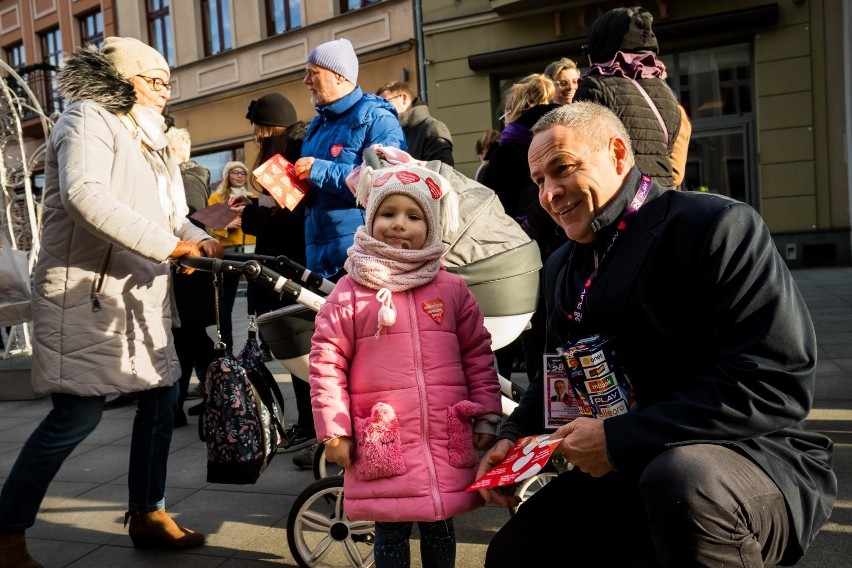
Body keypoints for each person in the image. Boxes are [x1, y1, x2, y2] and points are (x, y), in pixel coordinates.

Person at [479, 102, 836, 567]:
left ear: (619, 153)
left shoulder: (716, 227)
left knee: (680, 482)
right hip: (629, 464)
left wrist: (621, 438)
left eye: (562, 169)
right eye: (539, 181)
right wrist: (515, 437)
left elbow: (776, 383)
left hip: (751, 457)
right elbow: (559, 382)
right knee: (515, 553)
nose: (550, 193)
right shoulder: (562, 265)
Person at [0, 37, 222, 567]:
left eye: (169, 81)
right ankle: (7, 530)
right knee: (76, 416)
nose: (165, 91)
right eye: (155, 81)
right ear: (125, 79)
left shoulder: (151, 137)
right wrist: (170, 246)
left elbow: (168, 212)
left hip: (137, 294)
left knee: (162, 399)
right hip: (87, 295)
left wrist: (198, 234)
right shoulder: (86, 119)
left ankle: (149, 512)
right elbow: (84, 195)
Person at [310, 163, 502, 568]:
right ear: (370, 218)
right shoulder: (351, 290)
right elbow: (327, 361)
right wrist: (335, 430)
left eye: (413, 216)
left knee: (440, 523)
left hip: (442, 435)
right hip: (383, 436)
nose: (399, 225)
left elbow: (478, 355)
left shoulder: (451, 289)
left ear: (430, 227)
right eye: (388, 213)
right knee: (391, 528)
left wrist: (486, 414)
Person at [231, 92, 316, 454]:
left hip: (291, 269)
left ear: (270, 128)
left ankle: (311, 427)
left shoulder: (288, 156)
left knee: (299, 349)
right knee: (296, 349)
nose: (256, 136)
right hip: (284, 265)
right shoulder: (286, 154)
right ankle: (309, 425)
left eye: (259, 129)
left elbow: (287, 220)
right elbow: (276, 211)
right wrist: (252, 207)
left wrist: (248, 217)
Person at [294, 37, 406, 280]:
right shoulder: (316, 126)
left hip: (361, 256)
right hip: (320, 260)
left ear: (339, 76)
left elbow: (385, 183)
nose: (306, 81)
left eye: (313, 73)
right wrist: (290, 190)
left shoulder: (376, 118)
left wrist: (318, 170)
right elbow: (316, 195)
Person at [478, 74, 562, 384]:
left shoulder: (510, 148)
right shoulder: (561, 136)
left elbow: (489, 205)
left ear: (515, 107)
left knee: (524, 334)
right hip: (559, 249)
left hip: (517, 256)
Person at [573, 6, 681, 188]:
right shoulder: (665, 91)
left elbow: (582, 151)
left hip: (622, 197)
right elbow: (669, 147)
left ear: (600, 44)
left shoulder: (595, 85)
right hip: (664, 194)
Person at [164, 126, 218, 428]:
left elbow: (190, 223)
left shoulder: (185, 180)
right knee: (191, 341)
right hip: (189, 272)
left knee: (187, 339)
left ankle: (216, 394)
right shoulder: (191, 177)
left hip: (189, 272)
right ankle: (213, 396)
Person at [207, 161, 256, 352]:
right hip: (228, 251)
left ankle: (261, 346)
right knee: (226, 302)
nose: (239, 176)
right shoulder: (217, 198)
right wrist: (226, 226)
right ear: (228, 175)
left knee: (255, 300)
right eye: (235, 172)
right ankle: (227, 347)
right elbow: (209, 227)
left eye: (243, 173)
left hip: (251, 249)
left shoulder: (252, 198)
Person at [376, 80, 454, 166]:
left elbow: (444, 172)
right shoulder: (389, 133)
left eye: (386, 102)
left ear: (404, 98)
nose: (383, 110)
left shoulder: (432, 128)